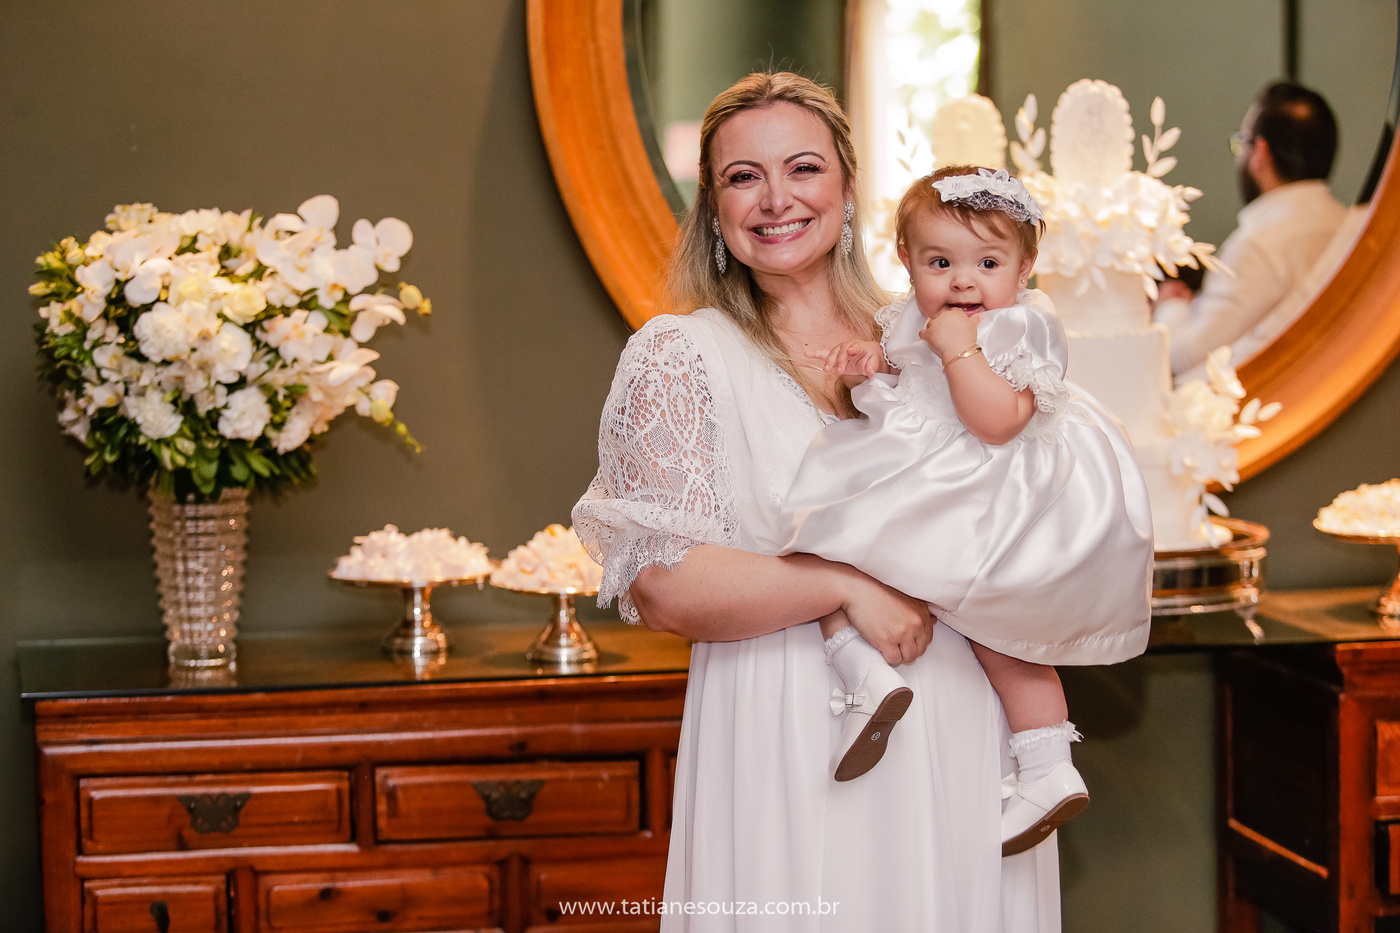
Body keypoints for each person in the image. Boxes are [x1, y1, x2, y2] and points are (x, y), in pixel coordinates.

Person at [574, 74, 1062, 930]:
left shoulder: (935, 337)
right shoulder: (681, 354)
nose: (776, 199)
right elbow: (663, 585)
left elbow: (1019, 501)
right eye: (743, 177)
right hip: (789, 737)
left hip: (963, 725)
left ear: (847, 185)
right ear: (713, 207)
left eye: (803, 168)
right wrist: (845, 585)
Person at [780, 165, 1153, 854]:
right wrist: (872, 365)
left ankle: (1045, 762)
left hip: (991, 491)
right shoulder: (911, 315)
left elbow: (998, 421)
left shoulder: (1023, 325)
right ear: (906, 260)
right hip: (933, 472)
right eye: (940, 263)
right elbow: (908, 381)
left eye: (987, 263)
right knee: (820, 540)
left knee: (999, 635)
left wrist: (961, 351)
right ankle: (867, 675)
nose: (962, 282)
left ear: (1025, 266)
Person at [1153, 81, 1346, 376]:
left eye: (1242, 142)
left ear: (1261, 152)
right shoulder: (1350, 226)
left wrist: (1171, 306)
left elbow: (1184, 357)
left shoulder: (1256, 246)